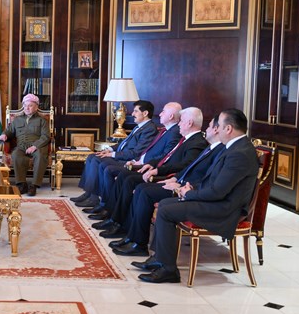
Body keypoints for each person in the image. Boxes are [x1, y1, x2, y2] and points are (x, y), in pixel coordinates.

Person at [138, 109, 259, 283]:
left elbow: (218, 191)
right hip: (218, 201)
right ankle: (159, 259)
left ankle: (168, 270)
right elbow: (213, 181)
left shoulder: (239, 153)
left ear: (228, 129)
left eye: (219, 126)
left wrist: (189, 193)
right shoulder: (235, 147)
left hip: (224, 209)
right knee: (165, 204)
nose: (216, 129)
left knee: (166, 211)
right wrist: (192, 187)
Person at [111, 115, 224, 259]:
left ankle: (139, 243)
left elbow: (202, 175)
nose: (206, 129)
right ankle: (133, 238)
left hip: (188, 189)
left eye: (209, 126)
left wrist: (180, 184)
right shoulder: (209, 147)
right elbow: (188, 168)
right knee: (140, 189)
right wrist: (174, 178)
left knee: (144, 191)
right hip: (177, 181)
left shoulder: (204, 145)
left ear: (216, 130)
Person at [93, 107, 208, 241]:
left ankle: (128, 232)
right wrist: (152, 164)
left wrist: (160, 171)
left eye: (181, 121)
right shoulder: (186, 139)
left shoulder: (197, 142)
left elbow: (184, 166)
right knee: (126, 177)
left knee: (135, 184)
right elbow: (167, 156)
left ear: (189, 123)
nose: (179, 124)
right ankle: (116, 221)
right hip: (163, 172)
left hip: (169, 177)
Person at [85, 102, 183, 221]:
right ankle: (99, 201)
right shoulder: (163, 130)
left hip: (145, 166)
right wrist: (111, 150)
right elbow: (128, 144)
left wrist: (141, 162)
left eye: (163, 111)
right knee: (96, 158)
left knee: (108, 168)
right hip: (137, 161)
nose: (160, 114)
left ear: (171, 116)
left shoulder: (171, 132)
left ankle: (107, 209)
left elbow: (165, 156)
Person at [71, 100, 159, 208]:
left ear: (145, 113)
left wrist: (113, 155)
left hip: (127, 160)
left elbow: (136, 153)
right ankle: (88, 193)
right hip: (122, 155)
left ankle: (93, 198)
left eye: (136, 111)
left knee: (96, 160)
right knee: (92, 156)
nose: (132, 114)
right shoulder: (139, 126)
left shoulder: (149, 129)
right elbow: (124, 143)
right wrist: (109, 149)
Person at [0, 93, 51, 196]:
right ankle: (22, 184)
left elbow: (46, 136)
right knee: (16, 154)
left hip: (37, 146)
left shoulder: (42, 121)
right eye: (25, 105)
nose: (27, 108)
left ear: (36, 107)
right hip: (21, 146)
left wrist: (34, 146)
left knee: (40, 156)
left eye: (30, 105)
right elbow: (9, 131)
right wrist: (4, 135)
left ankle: (34, 186)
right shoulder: (17, 120)